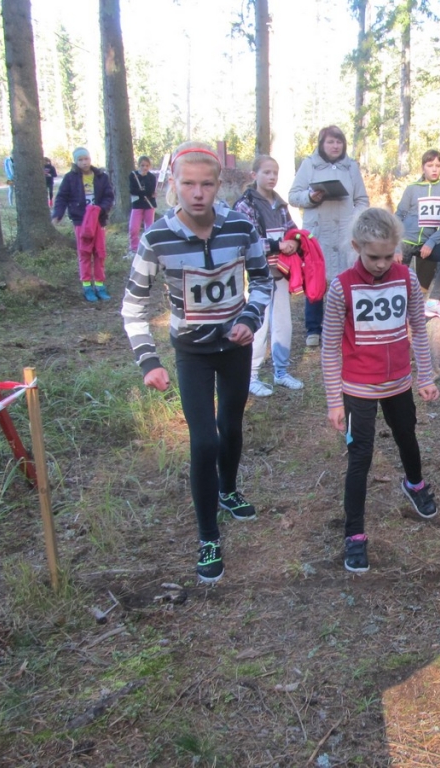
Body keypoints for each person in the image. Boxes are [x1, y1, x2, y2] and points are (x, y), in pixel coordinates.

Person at [121, 141, 273, 584]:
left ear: (219, 185)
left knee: (232, 427)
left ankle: (227, 490)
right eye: (188, 183)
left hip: (235, 348)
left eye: (207, 183)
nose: (198, 192)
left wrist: (249, 316)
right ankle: (208, 537)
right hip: (191, 352)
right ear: (173, 185)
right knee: (204, 441)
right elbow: (132, 308)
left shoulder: (241, 228)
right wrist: (149, 361)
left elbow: (263, 279)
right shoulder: (156, 238)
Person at [321, 208, 439, 573]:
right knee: (361, 457)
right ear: (356, 247)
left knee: (407, 436)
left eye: (389, 256)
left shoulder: (404, 278)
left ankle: (414, 483)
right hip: (358, 389)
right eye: (373, 256)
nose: (381, 264)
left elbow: (418, 328)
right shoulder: (341, 286)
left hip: (399, 383)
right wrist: (333, 401)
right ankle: (354, 534)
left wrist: (426, 376)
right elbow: (328, 347)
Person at [289, 125, 370, 347]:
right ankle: (313, 329)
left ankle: (344, 327)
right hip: (319, 230)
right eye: (330, 142)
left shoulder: (351, 167)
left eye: (338, 142)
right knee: (316, 278)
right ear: (321, 144)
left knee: (346, 279)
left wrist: (355, 219)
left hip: (344, 231)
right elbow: (293, 196)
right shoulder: (310, 164)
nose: (335, 146)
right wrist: (311, 197)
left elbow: (362, 199)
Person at [235, 155, 303, 397]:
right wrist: (277, 245)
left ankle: (281, 371)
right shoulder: (245, 205)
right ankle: (251, 375)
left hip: (281, 272)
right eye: (266, 172)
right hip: (258, 276)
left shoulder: (280, 204)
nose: (272, 177)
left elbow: (292, 228)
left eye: (275, 173)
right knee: (259, 325)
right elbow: (245, 242)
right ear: (254, 175)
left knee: (283, 323)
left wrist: (294, 241)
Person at [394, 149, 440, 321]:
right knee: (398, 282)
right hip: (405, 242)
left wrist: (431, 242)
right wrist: (395, 247)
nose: (434, 169)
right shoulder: (412, 189)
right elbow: (398, 216)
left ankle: (433, 302)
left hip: (427, 243)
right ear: (423, 167)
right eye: (430, 165)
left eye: (438, 166)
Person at [51, 148, 116, 302]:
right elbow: (62, 197)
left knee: (99, 253)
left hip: (98, 220)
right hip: (81, 221)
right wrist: (57, 215)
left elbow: (109, 196)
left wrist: (101, 209)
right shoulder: (70, 178)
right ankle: (87, 286)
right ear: (75, 161)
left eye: (86, 158)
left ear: (90, 158)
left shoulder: (101, 177)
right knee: (85, 253)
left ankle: (100, 285)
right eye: (80, 160)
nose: (84, 162)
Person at [128, 155, 158, 259]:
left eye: (147, 165)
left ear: (149, 166)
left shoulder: (152, 177)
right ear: (138, 165)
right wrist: (144, 192)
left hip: (149, 204)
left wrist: (144, 192)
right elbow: (132, 190)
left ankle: (148, 247)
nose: (144, 168)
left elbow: (151, 190)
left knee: (149, 227)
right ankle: (134, 248)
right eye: (142, 165)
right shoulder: (133, 176)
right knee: (133, 227)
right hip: (137, 204)